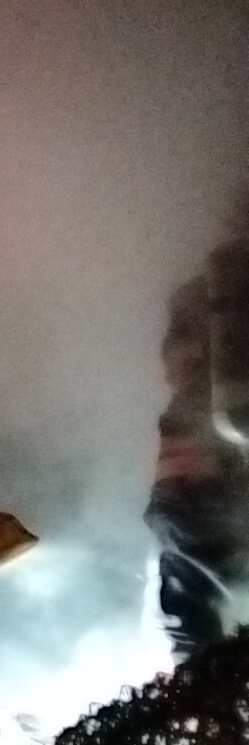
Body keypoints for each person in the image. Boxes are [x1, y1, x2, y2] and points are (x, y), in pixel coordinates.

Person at [148, 229, 249, 662]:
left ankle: (201, 707)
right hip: (207, 486)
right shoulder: (216, 294)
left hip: (199, 490)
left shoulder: (211, 293)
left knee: (192, 616)